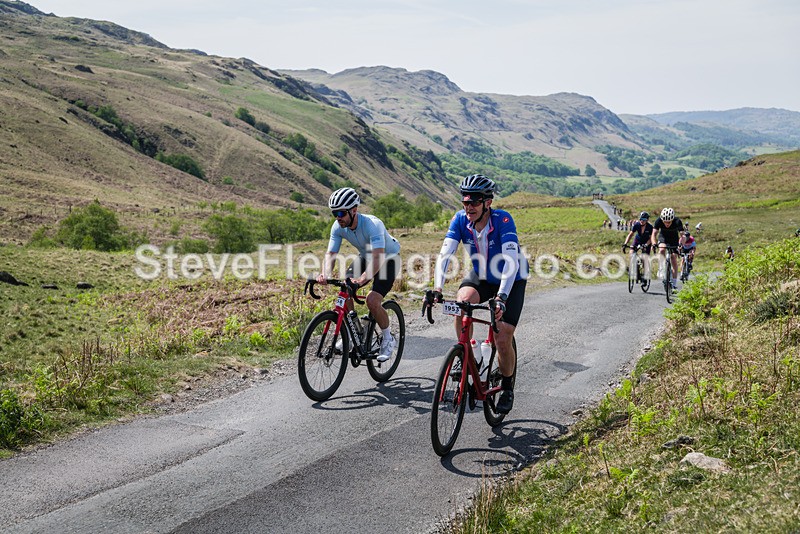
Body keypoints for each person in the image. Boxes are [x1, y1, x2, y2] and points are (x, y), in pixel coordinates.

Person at [428, 174, 527, 414]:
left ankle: (506, 386)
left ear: (487, 203)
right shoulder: (460, 220)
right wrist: (437, 288)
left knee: (502, 335)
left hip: (511, 279)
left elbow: (511, 262)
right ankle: (467, 356)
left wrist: (502, 297)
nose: (468, 206)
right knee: (462, 303)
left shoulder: (503, 219)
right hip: (482, 275)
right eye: (465, 201)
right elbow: (444, 255)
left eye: (474, 201)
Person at [316, 187, 401, 362]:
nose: (338, 217)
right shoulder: (338, 226)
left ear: (354, 210)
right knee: (344, 289)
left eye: (341, 213)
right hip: (365, 256)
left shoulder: (373, 224)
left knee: (372, 300)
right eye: (334, 213)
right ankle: (356, 333)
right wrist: (324, 274)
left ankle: (388, 338)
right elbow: (330, 254)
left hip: (387, 258)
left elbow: (378, 258)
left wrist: (361, 280)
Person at [650, 207, 685, 290]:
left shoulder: (677, 221)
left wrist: (681, 244)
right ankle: (661, 268)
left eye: (669, 222)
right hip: (663, 237)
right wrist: (654, 243)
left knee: (673, 259)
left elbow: (682, 235)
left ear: (672, 219)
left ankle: (674, 284)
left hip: (674, 239)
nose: (667, 224)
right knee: (662, 249)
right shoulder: (658, 221)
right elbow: (653, 234)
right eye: (665, 222)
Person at [622, 211, 654, 280]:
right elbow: (630, 234)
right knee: (631, 253)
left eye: (644, 220)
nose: (642, 221)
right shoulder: (637, 225)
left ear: (647, 220)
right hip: (637, 240)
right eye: (640, 219)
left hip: (647, 242)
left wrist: (646, 245)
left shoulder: (650, 227)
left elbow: (651, 238)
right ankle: (634, 269)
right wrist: (625, 244)